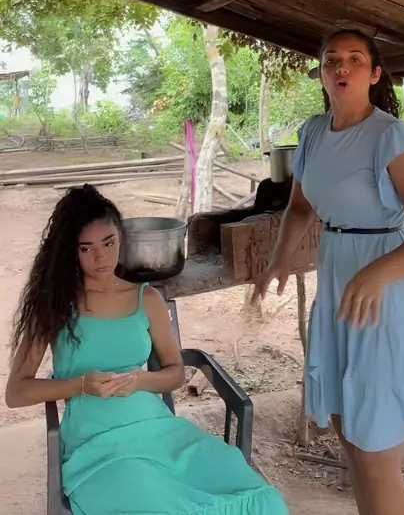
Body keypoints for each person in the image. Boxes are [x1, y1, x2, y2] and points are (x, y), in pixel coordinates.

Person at [254, 29, 404, 515]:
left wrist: (377, 275)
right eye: (332, 60)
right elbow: (301, 207)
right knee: (348, 434)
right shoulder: (313, 132)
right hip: (338, 287)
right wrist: (280, 258)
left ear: (374, 74)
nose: (341, 67)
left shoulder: (392, 137)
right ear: (321, 73)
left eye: (354, 59)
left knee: (374, 450)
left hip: (386, 295)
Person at [6, 185, 289, 515]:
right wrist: (81, 385)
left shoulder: (146, 299)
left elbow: (175, 374)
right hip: (98, 442)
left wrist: (141, 380)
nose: (101, 257)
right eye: (86, 248)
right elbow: (16, 392)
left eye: (109, 243)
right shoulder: (55, 306)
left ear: (121, 239)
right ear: (71, 251)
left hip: (158, 429)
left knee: (262, 501)